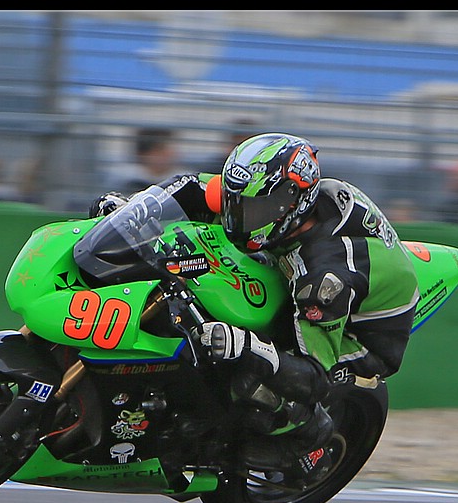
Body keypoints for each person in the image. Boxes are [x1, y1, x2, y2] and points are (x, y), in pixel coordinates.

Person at [88, 132, 420, 475]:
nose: (238, 216)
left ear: (291, 203)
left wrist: (246, 345)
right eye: (236, 203)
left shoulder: (323, 280)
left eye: (253, 209)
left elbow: (314, 377)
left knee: (246, 375)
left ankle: (309, 438)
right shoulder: (272, 201)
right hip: (312, 276)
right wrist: (133, 209)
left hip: (358, 335)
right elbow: (192, 187)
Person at [105, 127, 180, 195]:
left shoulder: (178, 181)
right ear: (144, 153)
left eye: (171, 148)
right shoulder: (127, 182)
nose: (170, 153)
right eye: (161, 149)